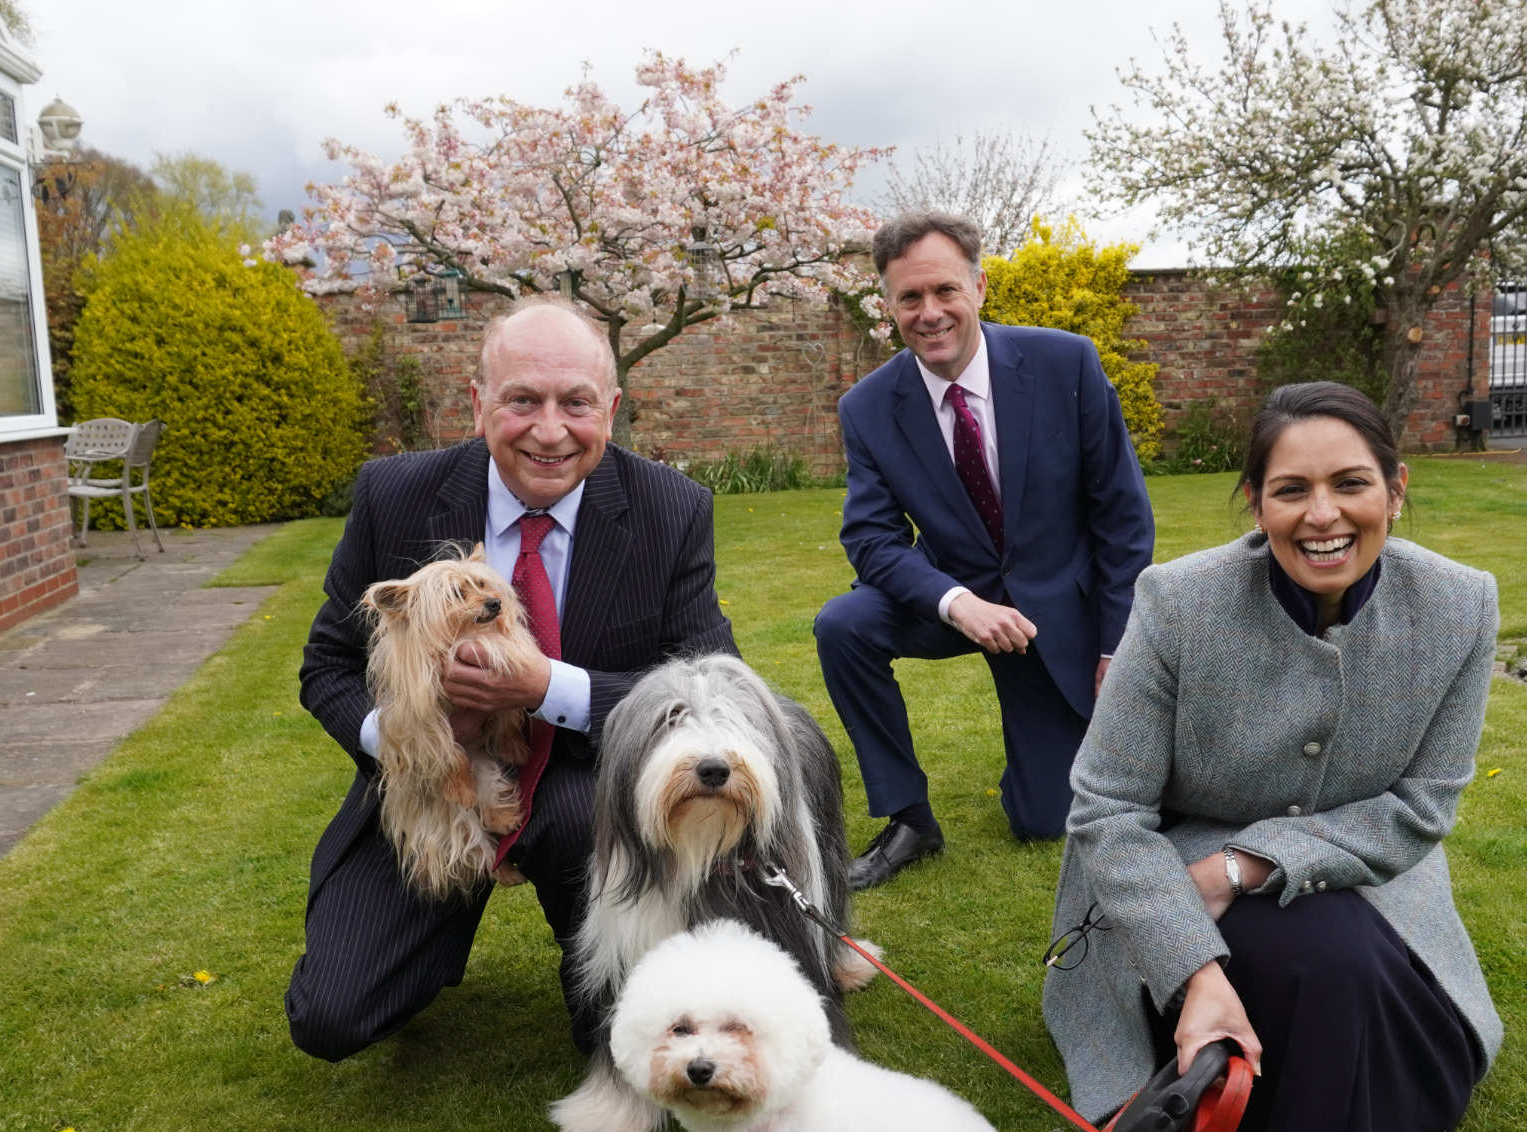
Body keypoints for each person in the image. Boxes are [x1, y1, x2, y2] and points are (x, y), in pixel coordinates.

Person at [1043, 381, 1502, 1132]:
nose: (1321, 516)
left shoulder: (1460, 604)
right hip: (1163, 868)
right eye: (1291, 490)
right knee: (1321, 960)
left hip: (1358, 872)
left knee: (1346, 958)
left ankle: (1252, 1095)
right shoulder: (1176, 602)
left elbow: (1420, 808)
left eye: (1350, 484)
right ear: (1255, 504)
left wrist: (1239, 868)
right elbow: (1107, 809)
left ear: (1394, 491)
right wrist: (1194, 969)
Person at [289, 297, 735, 1062]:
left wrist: (544, 688)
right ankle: (427, 944)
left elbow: (709, 688)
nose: (550, 430)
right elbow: (325, 666)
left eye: (576, 404)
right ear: (478, 403)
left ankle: (613, 985)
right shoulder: (392, 495)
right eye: (521, 400)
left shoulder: (671, 508)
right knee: (331, 1017)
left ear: (611, 408)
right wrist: (412, 739)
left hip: (588, 784)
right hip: (429, 793)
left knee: (623, 1034)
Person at [814, 212, 1154, 890]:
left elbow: (1121, 519)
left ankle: (1044, 759)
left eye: (944, 291)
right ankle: (909, 818)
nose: (929, 312)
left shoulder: (1066, 364)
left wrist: (1117, 649)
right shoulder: (869, 407)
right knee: (842, 625)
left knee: (1044, 820)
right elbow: (872, 539)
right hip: (956, 600)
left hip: (1057, 609)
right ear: (888, 307)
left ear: (979, 287)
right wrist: (955, 602)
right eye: (909, 298)